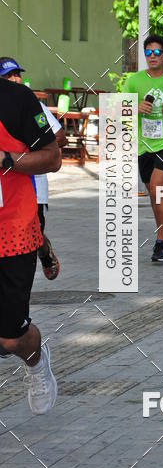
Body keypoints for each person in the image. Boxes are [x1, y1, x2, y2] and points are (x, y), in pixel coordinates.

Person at [0, 75, 62, 413]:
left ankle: (37, 364)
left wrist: (8, 160)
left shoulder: (16, 98)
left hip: (12, 228)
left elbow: (53, 158)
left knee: (10, 337)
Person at [0, 58, 65, 279]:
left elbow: (57, 140)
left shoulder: (26, 101)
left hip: (29, 190)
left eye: (16, 74)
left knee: (35, 230)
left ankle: (45, 253)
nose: (14, 78)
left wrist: (15, 153)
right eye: (8, 75)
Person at [123, 35, 163, 262]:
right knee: (152, 192)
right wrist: (135, 107)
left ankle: (161, 239)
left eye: (157, 53)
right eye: (148, 53)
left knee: (157, 188)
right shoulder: (134, 80)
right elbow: (117, 109)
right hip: (144, 144)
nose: (152, 57)